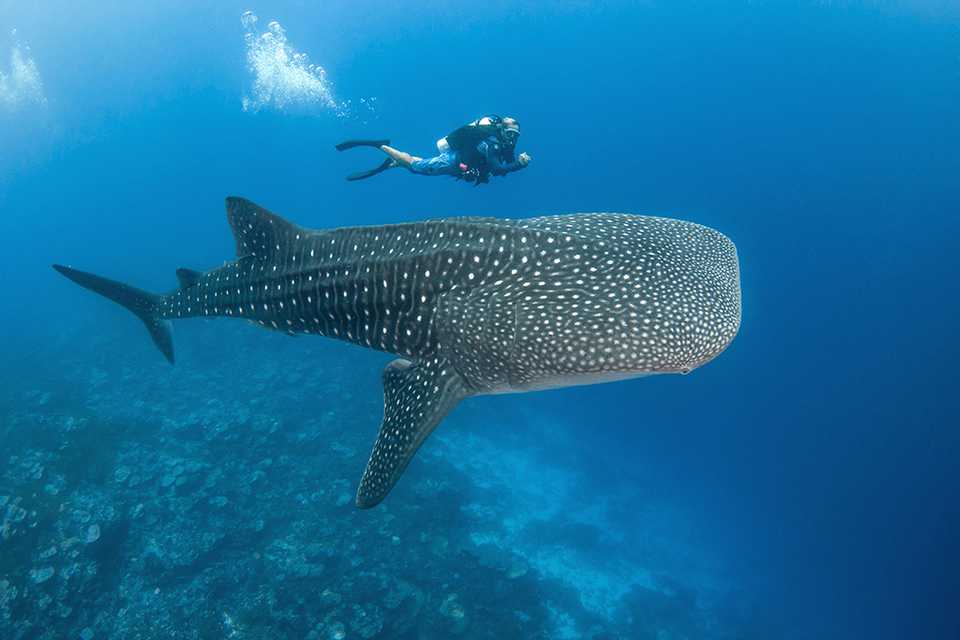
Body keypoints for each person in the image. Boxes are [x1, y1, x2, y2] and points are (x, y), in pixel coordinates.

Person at [336, 115, 531, 185]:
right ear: (502, 131)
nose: (512, 139)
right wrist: (519, 165)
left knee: (422, 166)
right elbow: (497, 169)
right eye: (510, 134)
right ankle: (381, 146)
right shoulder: (491, 144)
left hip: (459, 166)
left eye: (516, 136)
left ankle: (395, 162)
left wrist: (513, 162)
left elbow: (501, 166)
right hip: (452, 161)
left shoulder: (504, 146)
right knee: (416, 166)